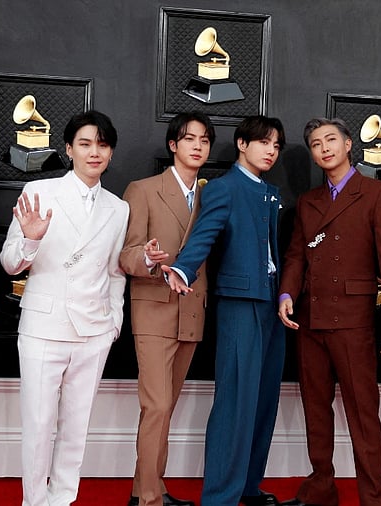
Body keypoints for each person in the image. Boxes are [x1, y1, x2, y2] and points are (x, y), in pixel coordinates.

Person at [0, 110, 129, 506]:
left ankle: (63, 499)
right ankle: (34, 501)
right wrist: (31, 241)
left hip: (94, 331)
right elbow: (9, 263)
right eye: (86, 144)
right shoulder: (39, 193)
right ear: (69, 148)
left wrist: (113, 323)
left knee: (77, 426)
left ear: (110, 153)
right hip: (44, 327)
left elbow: (115, 272)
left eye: (102, 145)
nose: (95, 152)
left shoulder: (117, 208)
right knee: (38, 426)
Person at [277, 117, 381, 506]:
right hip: (310, 319)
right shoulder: (308, 202)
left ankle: (374, 497)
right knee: (316, 411)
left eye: (331, 140)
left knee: (363, 415)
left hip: (354, 321)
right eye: (316, 144)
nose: (324, 148)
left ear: (349, 144)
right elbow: (297, 253)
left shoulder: (377, 193)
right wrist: (286, 293)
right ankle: (320, 489)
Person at [161, 115, 286, 506]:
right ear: (242, 145)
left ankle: (248, 486)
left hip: (272, 304)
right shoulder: (222, 188)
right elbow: (204, 234)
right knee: (235, 400)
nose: (271, 150)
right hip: (238, 304)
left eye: (277, 145)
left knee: (264, 399)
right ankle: (220, 495)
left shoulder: (272, 193)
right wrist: (182, 267)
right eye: (263, 142)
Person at [120, 111, 216, 506]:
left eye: (205, 140)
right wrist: (146, 257)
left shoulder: (212, 195)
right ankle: (149, 499)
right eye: (189, 139)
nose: (197, 146)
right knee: (157, 405)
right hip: (154, 310)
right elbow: (126, 255)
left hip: (192, 311)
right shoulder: (142, 190)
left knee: (166, 408)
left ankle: (150, 487)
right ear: (173, 145)